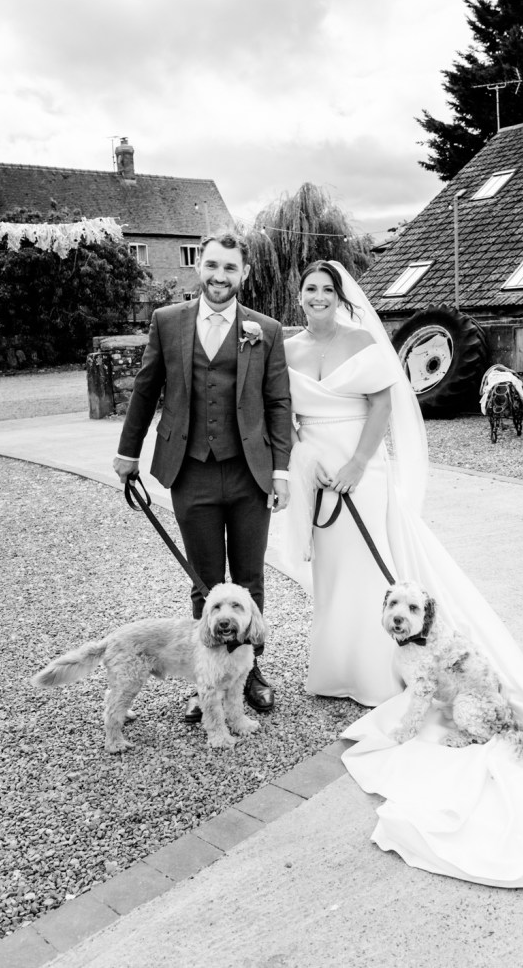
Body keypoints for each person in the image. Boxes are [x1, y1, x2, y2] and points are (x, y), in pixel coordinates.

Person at [282, 259, 523, 898]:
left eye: (326, 290)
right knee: (334, 578)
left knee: (374, 575)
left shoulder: (364, 342)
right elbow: (281, 413)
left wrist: (360, 466)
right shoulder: (287, 345)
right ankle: (336, 666)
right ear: (298, 295)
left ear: (340, 297)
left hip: (358, 474)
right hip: (315, 475)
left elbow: (382, 408)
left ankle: (377, 673)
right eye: (308, 289)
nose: (316, 297)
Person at [113, 230, 292, 716]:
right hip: (190, 470)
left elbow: (279, 403)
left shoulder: (266, 330)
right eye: (212, 265)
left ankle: (248, 671)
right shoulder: (167, 322)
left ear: (244, 274)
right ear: (201, 268)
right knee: (205, 582)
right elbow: (146, 390)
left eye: (230, 268)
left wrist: (281, 471)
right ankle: (206, 678)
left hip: (249, 472)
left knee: (249, 581)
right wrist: (128, 452)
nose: (219, 276)